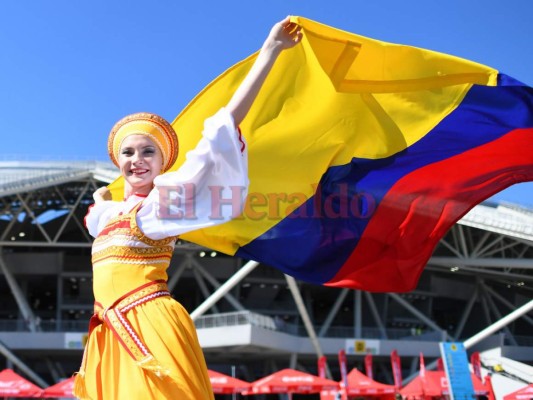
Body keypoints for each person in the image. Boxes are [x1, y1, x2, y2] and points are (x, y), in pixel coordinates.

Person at [73, 17, 302, 400]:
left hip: (150, 323)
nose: (138, 159)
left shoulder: (162, 206)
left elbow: (223, 128)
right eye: (128, 152)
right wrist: (104, 201)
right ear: (117, 161)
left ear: (163, 163)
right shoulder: (106, 215)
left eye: (149, 151)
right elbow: (99, 221)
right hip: (109, 332)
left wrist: (270, 51)